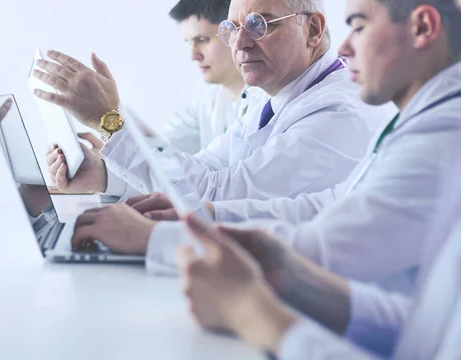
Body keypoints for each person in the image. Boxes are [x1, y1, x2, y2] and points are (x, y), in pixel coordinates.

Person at [176, 0, 461, 358]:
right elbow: (428, 328)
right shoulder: (422, 117)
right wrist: (286, 271)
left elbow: (331, 246)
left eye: (357, 26)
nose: (342, 47)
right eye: (233, 30)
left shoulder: (442, 134)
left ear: (422, 27)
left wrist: (257, 316)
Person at [35, 0, 392, 203]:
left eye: (258, 24)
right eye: (231, 29)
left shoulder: (336, 114)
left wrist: (108, 119)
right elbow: (198, 172)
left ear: (313, 30)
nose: (239, 44)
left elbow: (215, 199)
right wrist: (105, 175)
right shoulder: (267, 99)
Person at [164, 0, 267, 154]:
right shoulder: (206, 95)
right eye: (189, 43)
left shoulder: (268, 100)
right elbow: (165, 150)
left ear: (234, 32)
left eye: (202, 40)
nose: (193, 56)